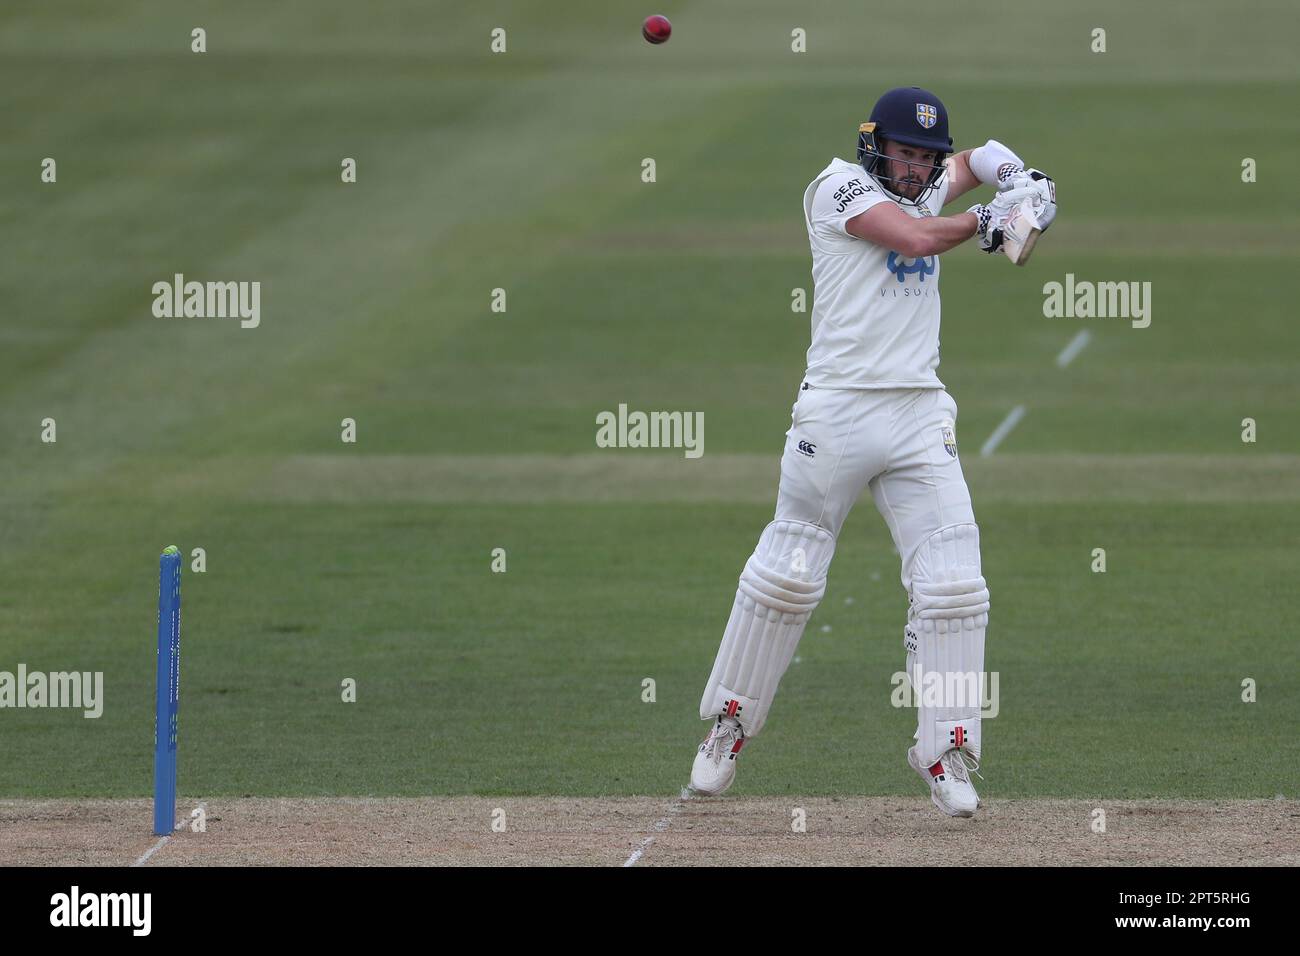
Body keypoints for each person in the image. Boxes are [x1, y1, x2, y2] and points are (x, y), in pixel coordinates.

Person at [689, 86, 1056, 817]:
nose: (917, 167)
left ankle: (945, 751)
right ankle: (727, 729)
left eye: (925, 157)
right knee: (787, 575)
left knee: (954, 585)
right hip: (837, 410)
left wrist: (1023, 180)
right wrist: (990, 217)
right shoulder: (840, 186)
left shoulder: (925, 185)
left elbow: (977, 157)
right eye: (905, 153)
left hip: (919, 412)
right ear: (875, 146)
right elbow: (915, 238)